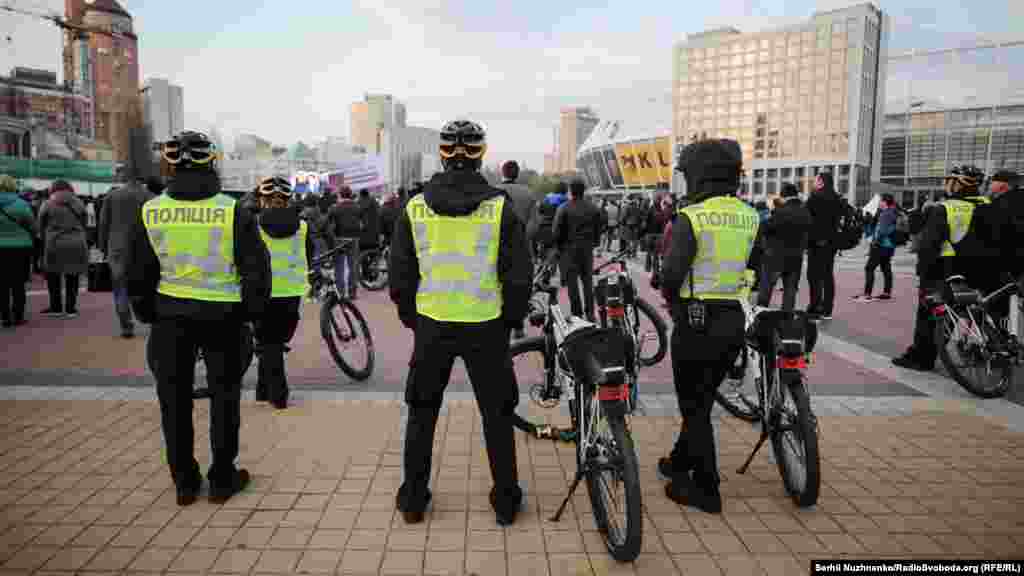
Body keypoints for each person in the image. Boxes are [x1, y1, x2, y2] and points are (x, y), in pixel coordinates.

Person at [389, 119, 531, 526]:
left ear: (443, 155)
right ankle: (505, 501)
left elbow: (400, 274)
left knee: (421, 411)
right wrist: (510, 319)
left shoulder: (415, 206)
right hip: (486, 324)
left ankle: (414, 499)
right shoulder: (499, 207)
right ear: (481, 154)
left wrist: (412, 318)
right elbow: (519, 273)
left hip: (433, 324)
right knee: (497, 413)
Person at [125, 130, 271, 505]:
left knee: (173, 400)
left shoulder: (152, 210)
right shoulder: (231, 210)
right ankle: (223, 477)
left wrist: (148, 312)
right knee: (225, 397)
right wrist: (250, 315)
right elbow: (256, 270)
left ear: (170, 165)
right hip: (223, 316)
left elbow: (137, 271)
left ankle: (185, 481)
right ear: (212, 161)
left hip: (170, 315)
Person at [658, 138, 760, 514]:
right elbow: (757, 268)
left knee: (694, 406)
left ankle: (706, 488)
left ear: (700, 176)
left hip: (695, 320)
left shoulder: (694, 216)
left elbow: (671, 274)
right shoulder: (751, 216)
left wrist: (672, 300)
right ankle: (678, 461)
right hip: (733, 318)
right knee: (701, 398)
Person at [892, 165, 988, 372]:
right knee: (966, 312)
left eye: (950, 181)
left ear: (958, 184)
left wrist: (922, 272)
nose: (946, 185)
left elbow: (929, 245)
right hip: (979, 269)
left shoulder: (944, 208)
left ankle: (922, 357)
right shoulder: (987, 204)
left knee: (930, 315)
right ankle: (981, 350)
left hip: (943, 268)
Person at [253, 177, 310, 410]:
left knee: (269, 343)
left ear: (263, 199)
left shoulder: (253, 225)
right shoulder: (303, 227)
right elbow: (308, 255)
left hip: (263, 291)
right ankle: (263, 389)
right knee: (274, 342)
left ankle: (278, 394)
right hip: (292, 292)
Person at [98, 177, 155, 337]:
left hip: (116, 247)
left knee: (119, 287)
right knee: (145, 284)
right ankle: (147, 317)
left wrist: (103, 246)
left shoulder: (112, 196)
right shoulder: (150, 197)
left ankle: (126, 325)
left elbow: (104, 223)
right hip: (144, 247)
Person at [552, 178, 605, 321]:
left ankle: (577, 314)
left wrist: (559, 247)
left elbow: (556, 232)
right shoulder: (593, 208)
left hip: (569, 250)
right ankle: (590, 313)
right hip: (586, 250)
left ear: (571, 191)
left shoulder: (563, 208)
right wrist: (594, 243)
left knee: (572, 285)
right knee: (587, 283)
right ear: (584, 190)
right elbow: (599, 228)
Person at [37, 180, 89, 318]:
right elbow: (85, 223)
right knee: (73, 276)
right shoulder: (79, 203)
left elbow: (40, 224)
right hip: (76, 243)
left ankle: (56, 307)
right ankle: (71, 309)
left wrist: (44, 237)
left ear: (53, 189)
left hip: (54, 243)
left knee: (53, 276)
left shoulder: (47, 204)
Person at [757, 182, 811, 311]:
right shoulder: (805, 211)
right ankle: (786, 319)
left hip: (775, 256)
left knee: (766, 288)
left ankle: (760, 314)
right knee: (790, 291)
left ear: (784, 196)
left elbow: (765, 228)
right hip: (796, 257)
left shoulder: (781, 211)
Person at [805, 171, 844, 320]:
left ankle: (814, 308)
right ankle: (827, 309)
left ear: (821, 182)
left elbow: (807, 219)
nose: (814, 183)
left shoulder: (815, 197)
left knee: (814, 276)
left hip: (816, 242)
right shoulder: (837, 198)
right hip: (832, 243)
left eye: (815, 180)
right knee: (827, 275)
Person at [0, 175, 35, 328]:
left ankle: (5, 317)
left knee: (1, 284)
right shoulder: (22, 204)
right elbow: (32, 225)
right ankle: (18, 316)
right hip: (21, 247)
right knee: (18, 284)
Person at [855, 193, 898, 302]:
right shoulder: (893, 212)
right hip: (889, 246)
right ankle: (887, 292)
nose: (879, 203)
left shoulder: (886, 214)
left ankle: (867, 293)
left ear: (884, 202)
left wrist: (875, 243)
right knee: (886, 268)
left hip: (881, 245)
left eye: (881, 201)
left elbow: (882, 231)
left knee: (869, 268)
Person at [328, 186, 362, 299]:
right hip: (354, 239)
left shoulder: (335, 207)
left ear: (340, 195)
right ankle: (352, 292)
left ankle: (341, 293)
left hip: (339, 238)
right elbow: (362, 223)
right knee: (353, 266)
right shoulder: (357, 207)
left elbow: (328, 222)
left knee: (339, 266)